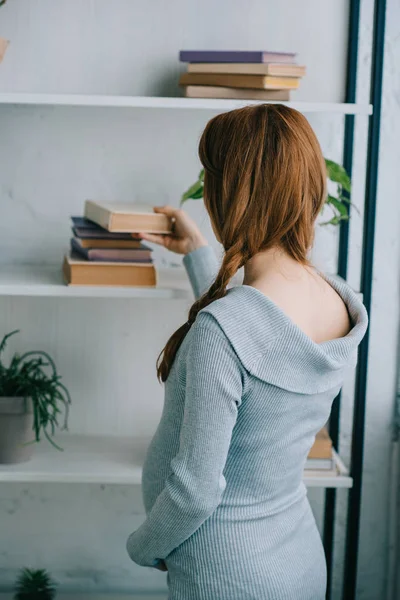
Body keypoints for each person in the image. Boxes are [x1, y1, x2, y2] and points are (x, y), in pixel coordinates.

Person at [126, 104, 368, 599]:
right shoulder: (337, 298)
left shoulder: (225, 331)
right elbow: (263, 339)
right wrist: (198, 254)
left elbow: (196, 493)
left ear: (227, 195)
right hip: (296, 560)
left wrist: (142, 546)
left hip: (226, 574)